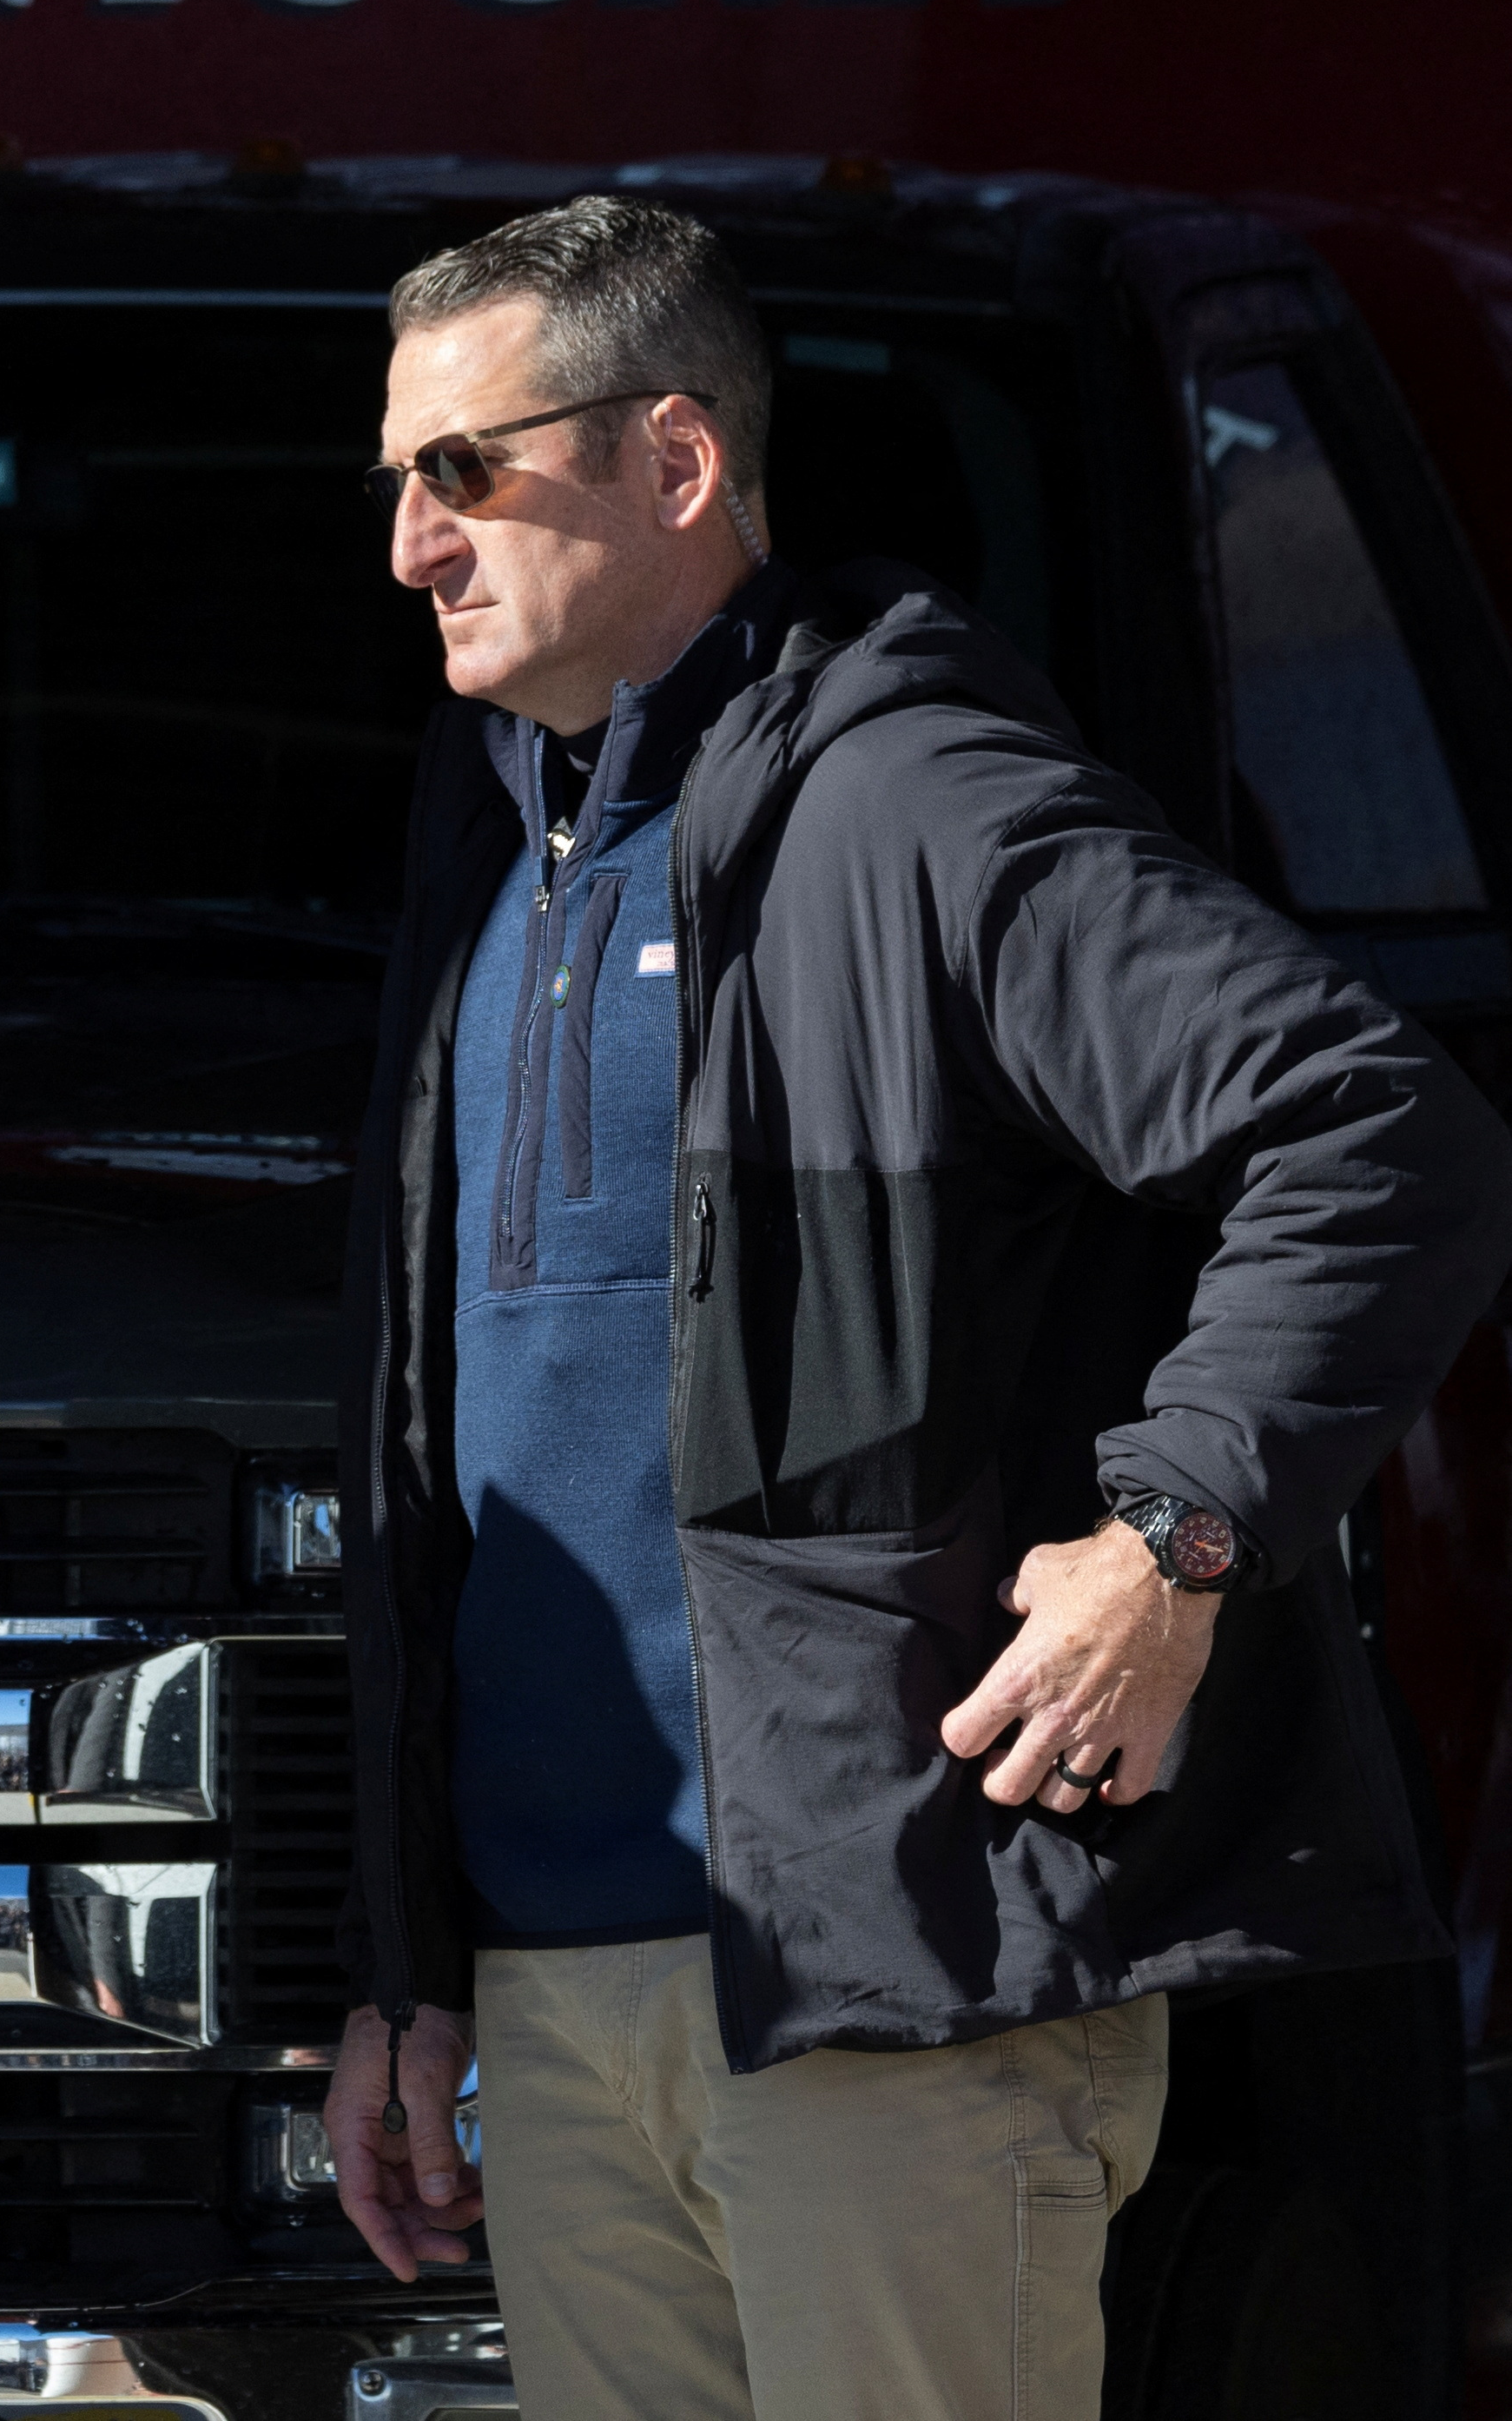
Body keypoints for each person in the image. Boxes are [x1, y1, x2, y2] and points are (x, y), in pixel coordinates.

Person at [321, 195, 1512, 2420]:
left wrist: (1170, 1539)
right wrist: (410, 1962)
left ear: (674, 464)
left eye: (461, 469)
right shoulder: (489, 840)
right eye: (393, 478)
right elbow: (452, 1453)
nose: (409, 541)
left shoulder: (913, 794)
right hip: (561, 2000)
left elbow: (1381, 1132)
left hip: (891, 1976)